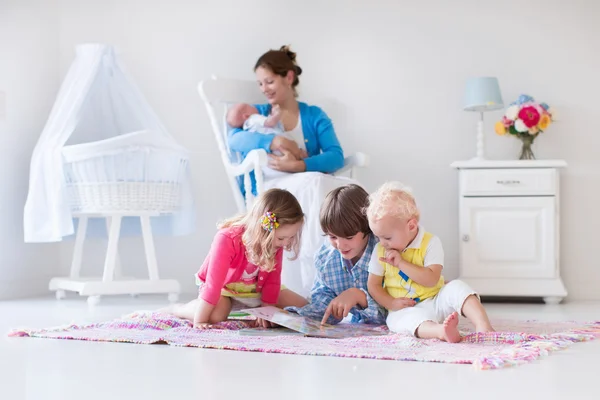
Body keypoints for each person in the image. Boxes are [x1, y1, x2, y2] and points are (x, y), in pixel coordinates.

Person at [227, 45, 355, 296]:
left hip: (305, 175)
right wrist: (274, 142)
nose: (264, 89)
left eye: (269, 81)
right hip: (274, 188)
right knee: (316, 185)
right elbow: (233, 140)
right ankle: (315, 281)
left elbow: (335, 155)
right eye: (260, 84)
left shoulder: (314, 115)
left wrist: (299, 164)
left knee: (348, 190)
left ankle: (350, 275)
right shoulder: (258, 115)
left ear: (288, 77)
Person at [366, 182, 495, 343]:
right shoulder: (380, 250)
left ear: (411, 226)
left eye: (387, 238)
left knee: (457, 287)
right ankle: (440, 331)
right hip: (407, 309)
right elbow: (373, 285)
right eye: (378, 237)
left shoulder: (430, 243)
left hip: (436, 299)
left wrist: (401, 264)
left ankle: (483, 325)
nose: (382, 243)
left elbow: (431, 279)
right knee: (397, 321)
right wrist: (391, 303)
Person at [164, 188, 308, 328]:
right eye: (282, 238)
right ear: (262, 230)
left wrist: (266, 312)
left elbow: (273, 280)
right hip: (224, 289)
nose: (286, 243)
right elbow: (213, 284)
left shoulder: (276, 243)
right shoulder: (227, 238)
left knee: (305, 308)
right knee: (215, 317)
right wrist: (200, 321)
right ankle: (179, 309)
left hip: (255, 290)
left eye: (291, 237)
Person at [286, 184, 386, 325]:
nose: (340, 245)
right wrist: (286, 318)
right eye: (333, 237)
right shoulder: (326, 258)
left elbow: (394, 312)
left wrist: (359, 296)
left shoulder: (385, 254)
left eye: (349, 237)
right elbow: (321, 307)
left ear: (368, 227)